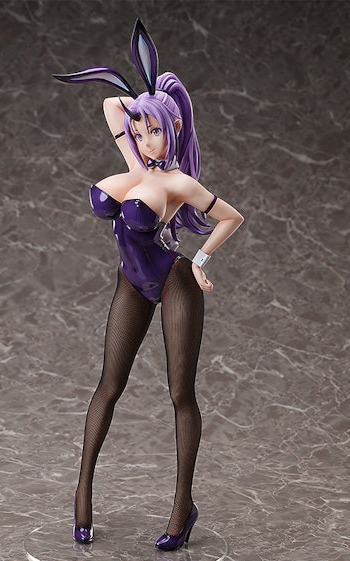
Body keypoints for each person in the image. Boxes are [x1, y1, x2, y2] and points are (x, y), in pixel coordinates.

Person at [53, 19, 244, 551]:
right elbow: (111, 106)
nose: (142, 139)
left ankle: (183, 507)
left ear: (174, 128)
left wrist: (200, 258)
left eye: (153, 130)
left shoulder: (179, 182)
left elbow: (232, 217)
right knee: (107, 386)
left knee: (180, 393)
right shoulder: (132, 160)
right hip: (132, 283)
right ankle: (82, 493)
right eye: (138, 132)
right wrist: (145, 101)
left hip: (173, 280)